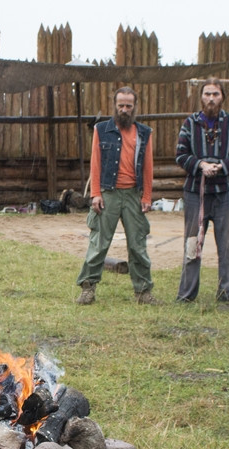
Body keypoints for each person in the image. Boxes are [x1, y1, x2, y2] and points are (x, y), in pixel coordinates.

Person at [74, 87, 157, 305]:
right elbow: (96, 163)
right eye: (121, 105)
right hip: (108, 193)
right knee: (99, 243)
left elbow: (148, 166)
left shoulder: (144, 133)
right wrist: (95, 194)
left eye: (129, 105)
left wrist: (147, 196)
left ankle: (143, 292)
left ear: (134, 107)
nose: (124, 109)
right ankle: (87, 288)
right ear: (115, 105)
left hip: (133, 195)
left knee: (138, 245)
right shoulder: (101, 130)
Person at [175, 78, 229, 304]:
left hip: (226, 192)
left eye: (215, 94)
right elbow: (180, 154)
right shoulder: (190, 123)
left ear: (222, 97)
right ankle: (187, 295)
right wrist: (200, 165)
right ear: (201, 98)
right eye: (207, 94)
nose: (211, 99)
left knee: (227, 245)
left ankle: (228, 294)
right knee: (192, 243)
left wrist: (222, 166)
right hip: (196, 192)